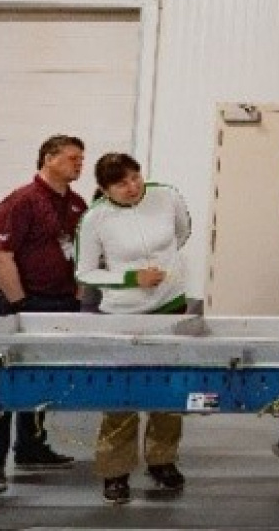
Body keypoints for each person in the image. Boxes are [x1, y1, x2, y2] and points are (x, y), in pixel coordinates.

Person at [75, 153, 192, 505]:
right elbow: (85, 272)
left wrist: (164, 273)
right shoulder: (95, 218)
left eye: (135, 178)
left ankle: (162, 461)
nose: (131, 188)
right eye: (120, 184)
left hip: (170, 308)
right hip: (121, 315)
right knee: (121, 393)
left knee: (169, 390)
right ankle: (115, 471)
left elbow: (182, 233)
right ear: (104, 189)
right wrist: (131, 278)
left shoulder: (167, 196)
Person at [0, 134, 87, 494]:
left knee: (39, 381)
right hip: (21, 305)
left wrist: (76, 295)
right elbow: (2, 257)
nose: (79, 164)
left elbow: (82, 255)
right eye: (72, 158)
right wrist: (20, 304)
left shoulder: (75, 204)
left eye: (81, 159)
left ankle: (30, 447)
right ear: (48, 158)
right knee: (4, 383)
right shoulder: (21, 202)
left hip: (60, 304)